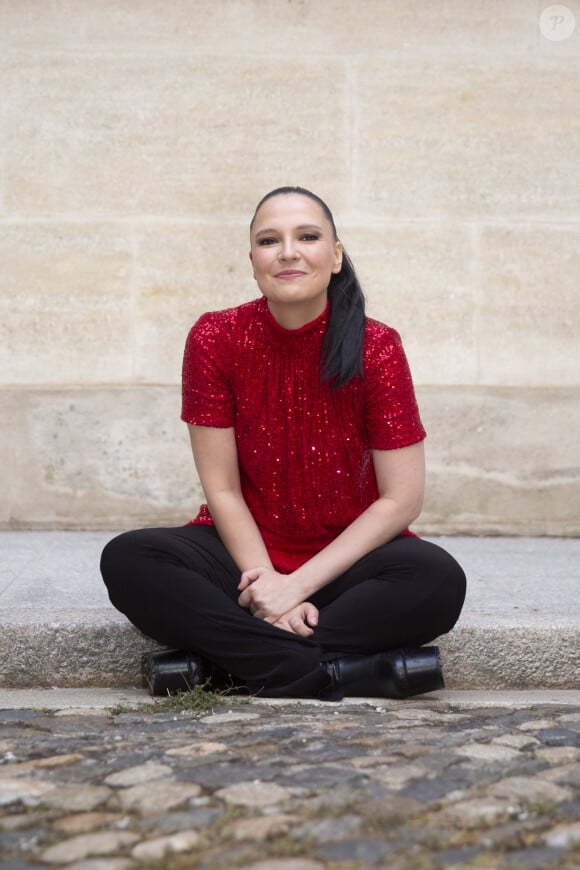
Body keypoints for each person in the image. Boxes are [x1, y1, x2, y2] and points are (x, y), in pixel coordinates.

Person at [100, 186, 466, 701]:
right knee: (129, 559)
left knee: (437, 580)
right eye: (270, 240)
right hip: (242, 557)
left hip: (343, 564)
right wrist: (267, 587)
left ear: (335, 256)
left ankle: (218, 669)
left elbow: (401, 500)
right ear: (253, 260)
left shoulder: (377, 346)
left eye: (308, 236)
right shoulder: (214, 338)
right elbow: (222, 489)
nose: (289, 251)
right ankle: (349, 674)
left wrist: (294, 589)